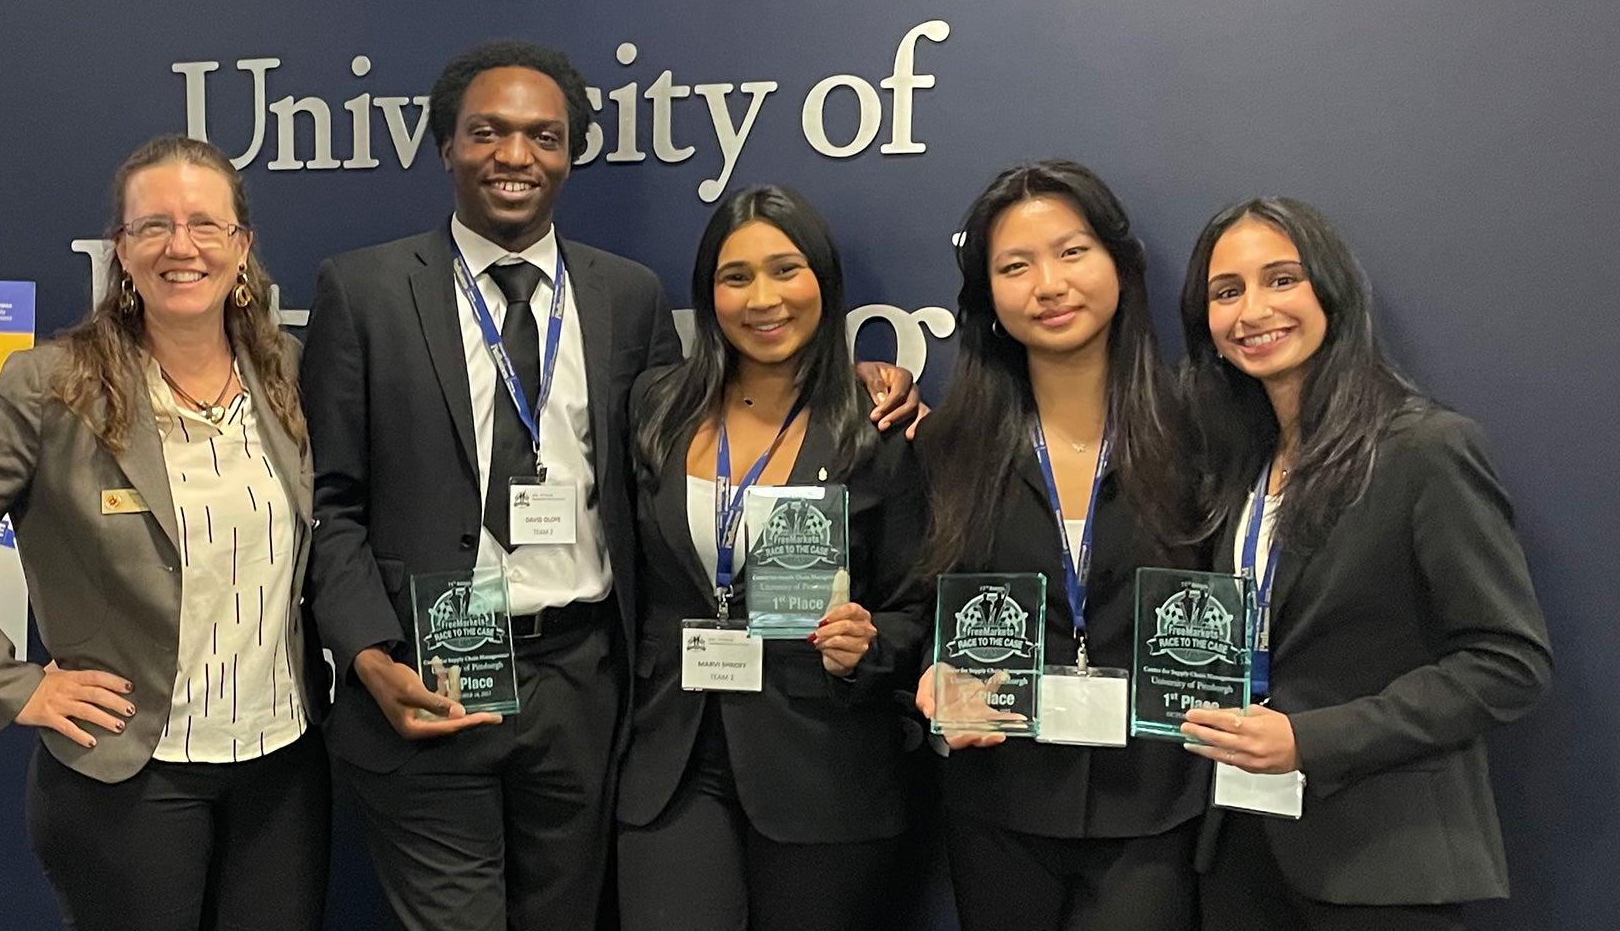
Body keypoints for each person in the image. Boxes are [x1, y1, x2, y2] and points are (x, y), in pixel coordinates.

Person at [299, 39, 918, 931]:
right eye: (489, 132)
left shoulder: (626, 296)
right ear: (446, 147)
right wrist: (367, 654)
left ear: (570, 153)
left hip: (585, 682)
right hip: (430, 669)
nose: (517, 155)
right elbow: (331, 500)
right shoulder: (363, 290)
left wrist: (861, 383)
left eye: (544, 136)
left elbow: (681, 447)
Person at [0, 135, 329, 930]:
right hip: (131, 776)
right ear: (121, 250)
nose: (179, 246)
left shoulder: (287, 369)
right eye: (152, 226)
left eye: (203, 224)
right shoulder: (54, 386)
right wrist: (16, 684)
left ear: (242, 247)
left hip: (280, 766)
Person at [1175, 197, 1551, 931]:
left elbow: (1509, 661)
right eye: (1227, 292)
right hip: (1240, 852)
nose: (1253, 310)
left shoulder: (1425, 448)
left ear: (1332, 291)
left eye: (1281, 279)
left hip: (1383, 860)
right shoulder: (1233, 465)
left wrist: (1310, 739)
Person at [614, 185, 930, 930]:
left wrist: (870, 645)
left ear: (824, 281)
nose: (764, 297)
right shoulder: (654, 407)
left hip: (823, 770)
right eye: (736, 276)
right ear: (708, 294)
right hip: (672, 763)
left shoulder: (874, 426)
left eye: (786, 269)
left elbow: (920, 603)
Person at [913, 161, 1207, 929]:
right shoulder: (946, 445)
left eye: (1072, 252)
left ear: (1120, 263)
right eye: (1016, 265)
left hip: (1156, 804)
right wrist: (929, 675)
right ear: (987, 295)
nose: (1048, 284)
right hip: (998, 802)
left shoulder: (1202, 435)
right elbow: (914, 606)